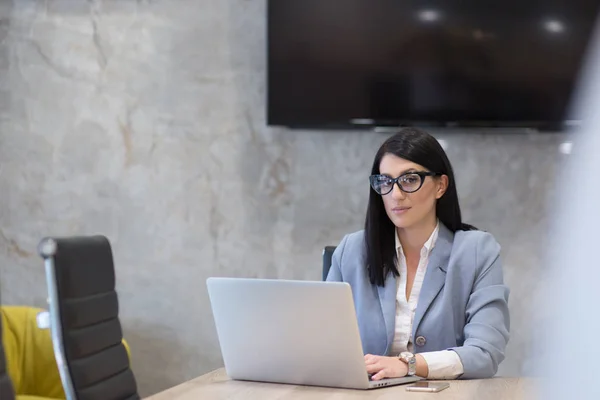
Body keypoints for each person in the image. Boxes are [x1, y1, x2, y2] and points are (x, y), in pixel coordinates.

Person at [327, 128, 509, 380]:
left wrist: (409, 364)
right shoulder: (352, 250)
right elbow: (324, 345)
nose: (395, 194)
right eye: (385, 181)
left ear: (440, 186)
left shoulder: (477, 251)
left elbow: (485, 353)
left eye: (410, 179)